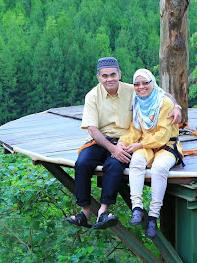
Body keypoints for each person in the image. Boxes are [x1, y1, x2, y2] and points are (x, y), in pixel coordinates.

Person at [65, 58, 182, 230]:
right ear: (98, 77)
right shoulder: (92, 96)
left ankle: (103, 211)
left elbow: (160, 94)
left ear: (119, 74)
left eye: (113, 74)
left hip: (127, 140)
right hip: (101, 140)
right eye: (105, 76)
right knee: (82, 163)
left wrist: (177, 106)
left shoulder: (133, 89)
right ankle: (85, 211)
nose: (109, 79)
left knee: (114, 165)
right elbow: (92, 129)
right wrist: (112, 148)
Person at [120, 68, 184, 238]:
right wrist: (123, 142)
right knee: (136, 163)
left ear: (152, 83)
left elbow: (162, 135)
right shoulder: (138, 102)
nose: (141, 87)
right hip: (147, 144)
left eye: (145, 83)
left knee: (159, 169)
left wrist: (138, 145)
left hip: (166, 145)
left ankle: (153, 216)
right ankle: (137, 208)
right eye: (137, 84)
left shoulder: (164, 102)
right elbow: (135, 129)